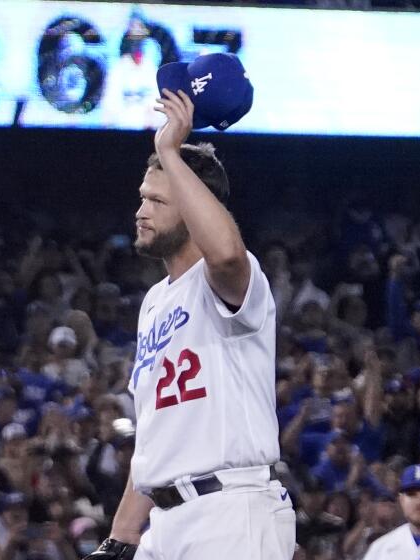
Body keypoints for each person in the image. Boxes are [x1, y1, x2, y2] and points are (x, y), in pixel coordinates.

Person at [85, 86, 294, 559]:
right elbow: (159, 436)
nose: (140, 212)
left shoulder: (233, 278)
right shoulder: (155, 302)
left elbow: (224, 253)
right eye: (143, 198)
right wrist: (120, 535)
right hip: (165, 520)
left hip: (231, 511)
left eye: (158, 201)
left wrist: (170, 151)